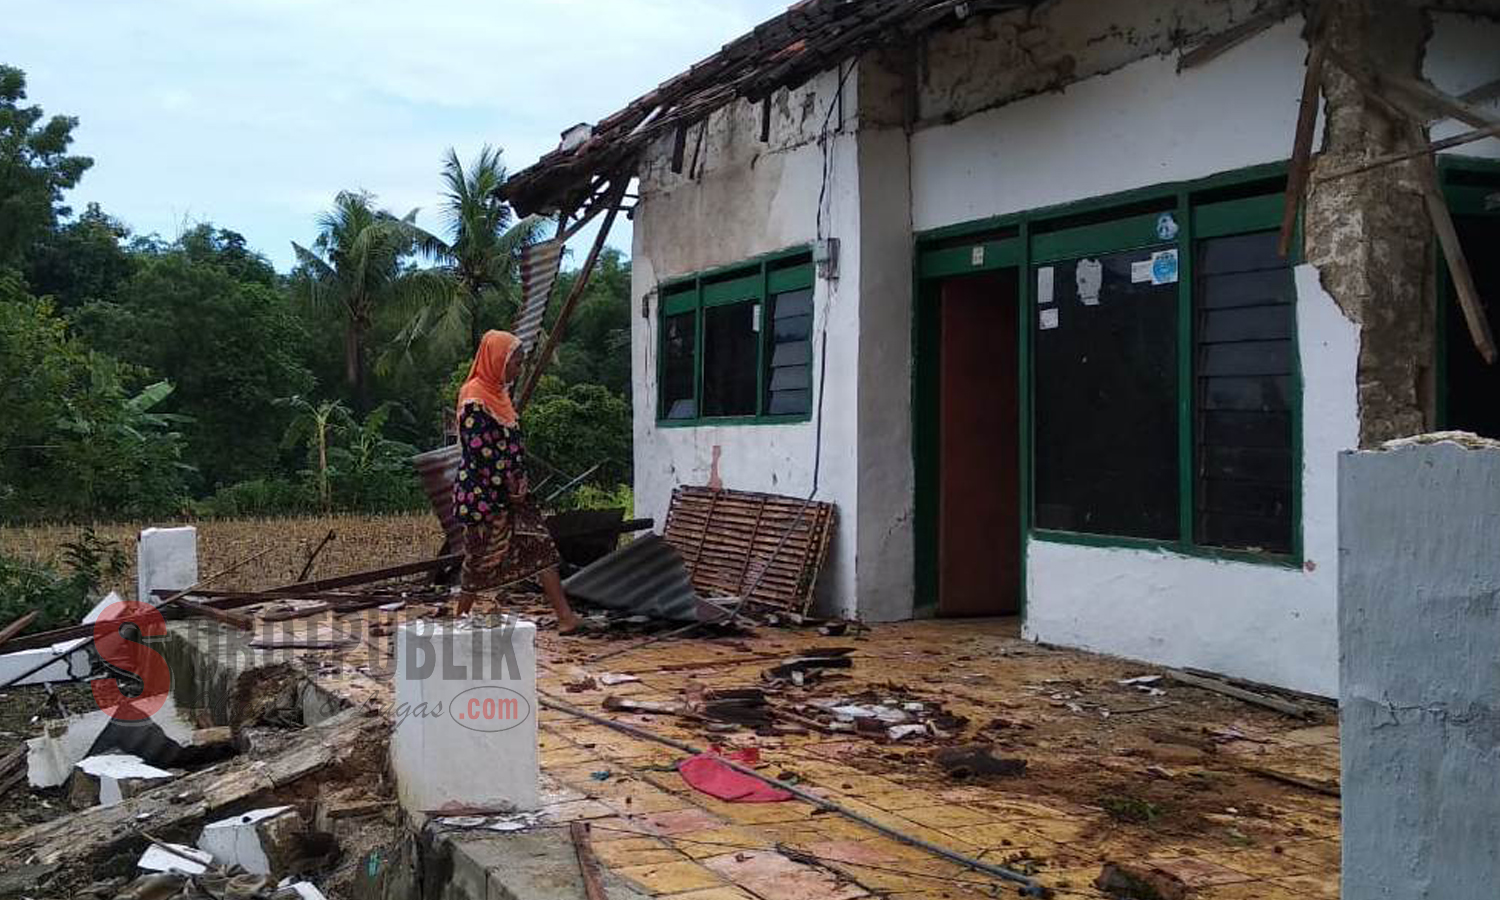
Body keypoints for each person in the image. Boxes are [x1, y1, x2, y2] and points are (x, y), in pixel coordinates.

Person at [452, 330, 583, 631]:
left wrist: (520, 482)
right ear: (497, 360)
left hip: (513, 493)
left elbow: (512, 446)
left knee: (541, 546)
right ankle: (459, 620)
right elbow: (479, 452)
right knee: (479, 561)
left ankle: (566, 617)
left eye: (521, 363)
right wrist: (505, 485)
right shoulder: (474, 398)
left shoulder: (500, 395)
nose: (518, 369)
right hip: (483, 496)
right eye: (514, 363)